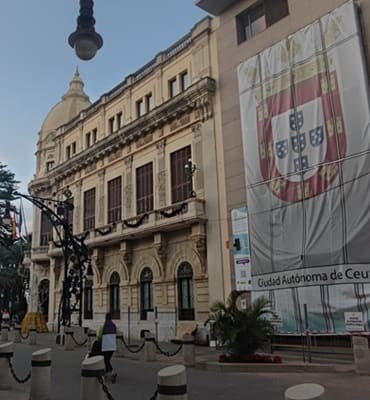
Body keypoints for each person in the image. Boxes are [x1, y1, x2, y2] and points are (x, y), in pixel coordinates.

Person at [97, 313, 117, 382]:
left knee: (106, 360)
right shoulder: (114, 325)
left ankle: (111, 372)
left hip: (106, 346)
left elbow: (100, 336)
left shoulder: (104, 326)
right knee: (107, 359)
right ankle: (106, 373)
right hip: (112, 346)